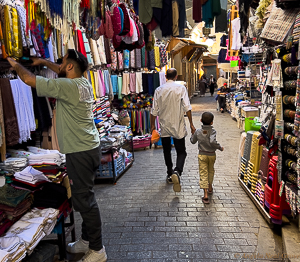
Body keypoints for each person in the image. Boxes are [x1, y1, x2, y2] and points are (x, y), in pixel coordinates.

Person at [7, 50, 107, 262]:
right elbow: (61, 71)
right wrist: (44, 61)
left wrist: (13, 63)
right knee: (85, 196)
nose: (59, 65)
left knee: (85, 201)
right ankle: (87, 241)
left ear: (70, 67)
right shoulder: (82, 83)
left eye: (62, 63)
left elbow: (29, 79)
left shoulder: (67, 86)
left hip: (80, 151)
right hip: (88, 147)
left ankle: (98, 250)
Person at [151, 68, 196, 192]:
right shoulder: (181, 88)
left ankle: (169, 172)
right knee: (181, 151)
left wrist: (152, 127)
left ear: (166, 76)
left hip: (164, 125)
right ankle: (177, 171)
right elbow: (187, 107)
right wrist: (191, 124)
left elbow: (153, 111)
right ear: (176, 76)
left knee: (166, 150)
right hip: (178, 125)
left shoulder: (158, 90)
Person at [190, 112, 224, 204]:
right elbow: (213, 141)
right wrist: (219, 147)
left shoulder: (198, 131)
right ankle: (210, 187)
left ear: (201, 120)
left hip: (202, 155)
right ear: (212, 122)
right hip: (211, 155)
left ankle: (205, 194)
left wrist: (192, 134)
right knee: (210, 170)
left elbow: (192, 141)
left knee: (203, 172)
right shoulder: (212, 131)